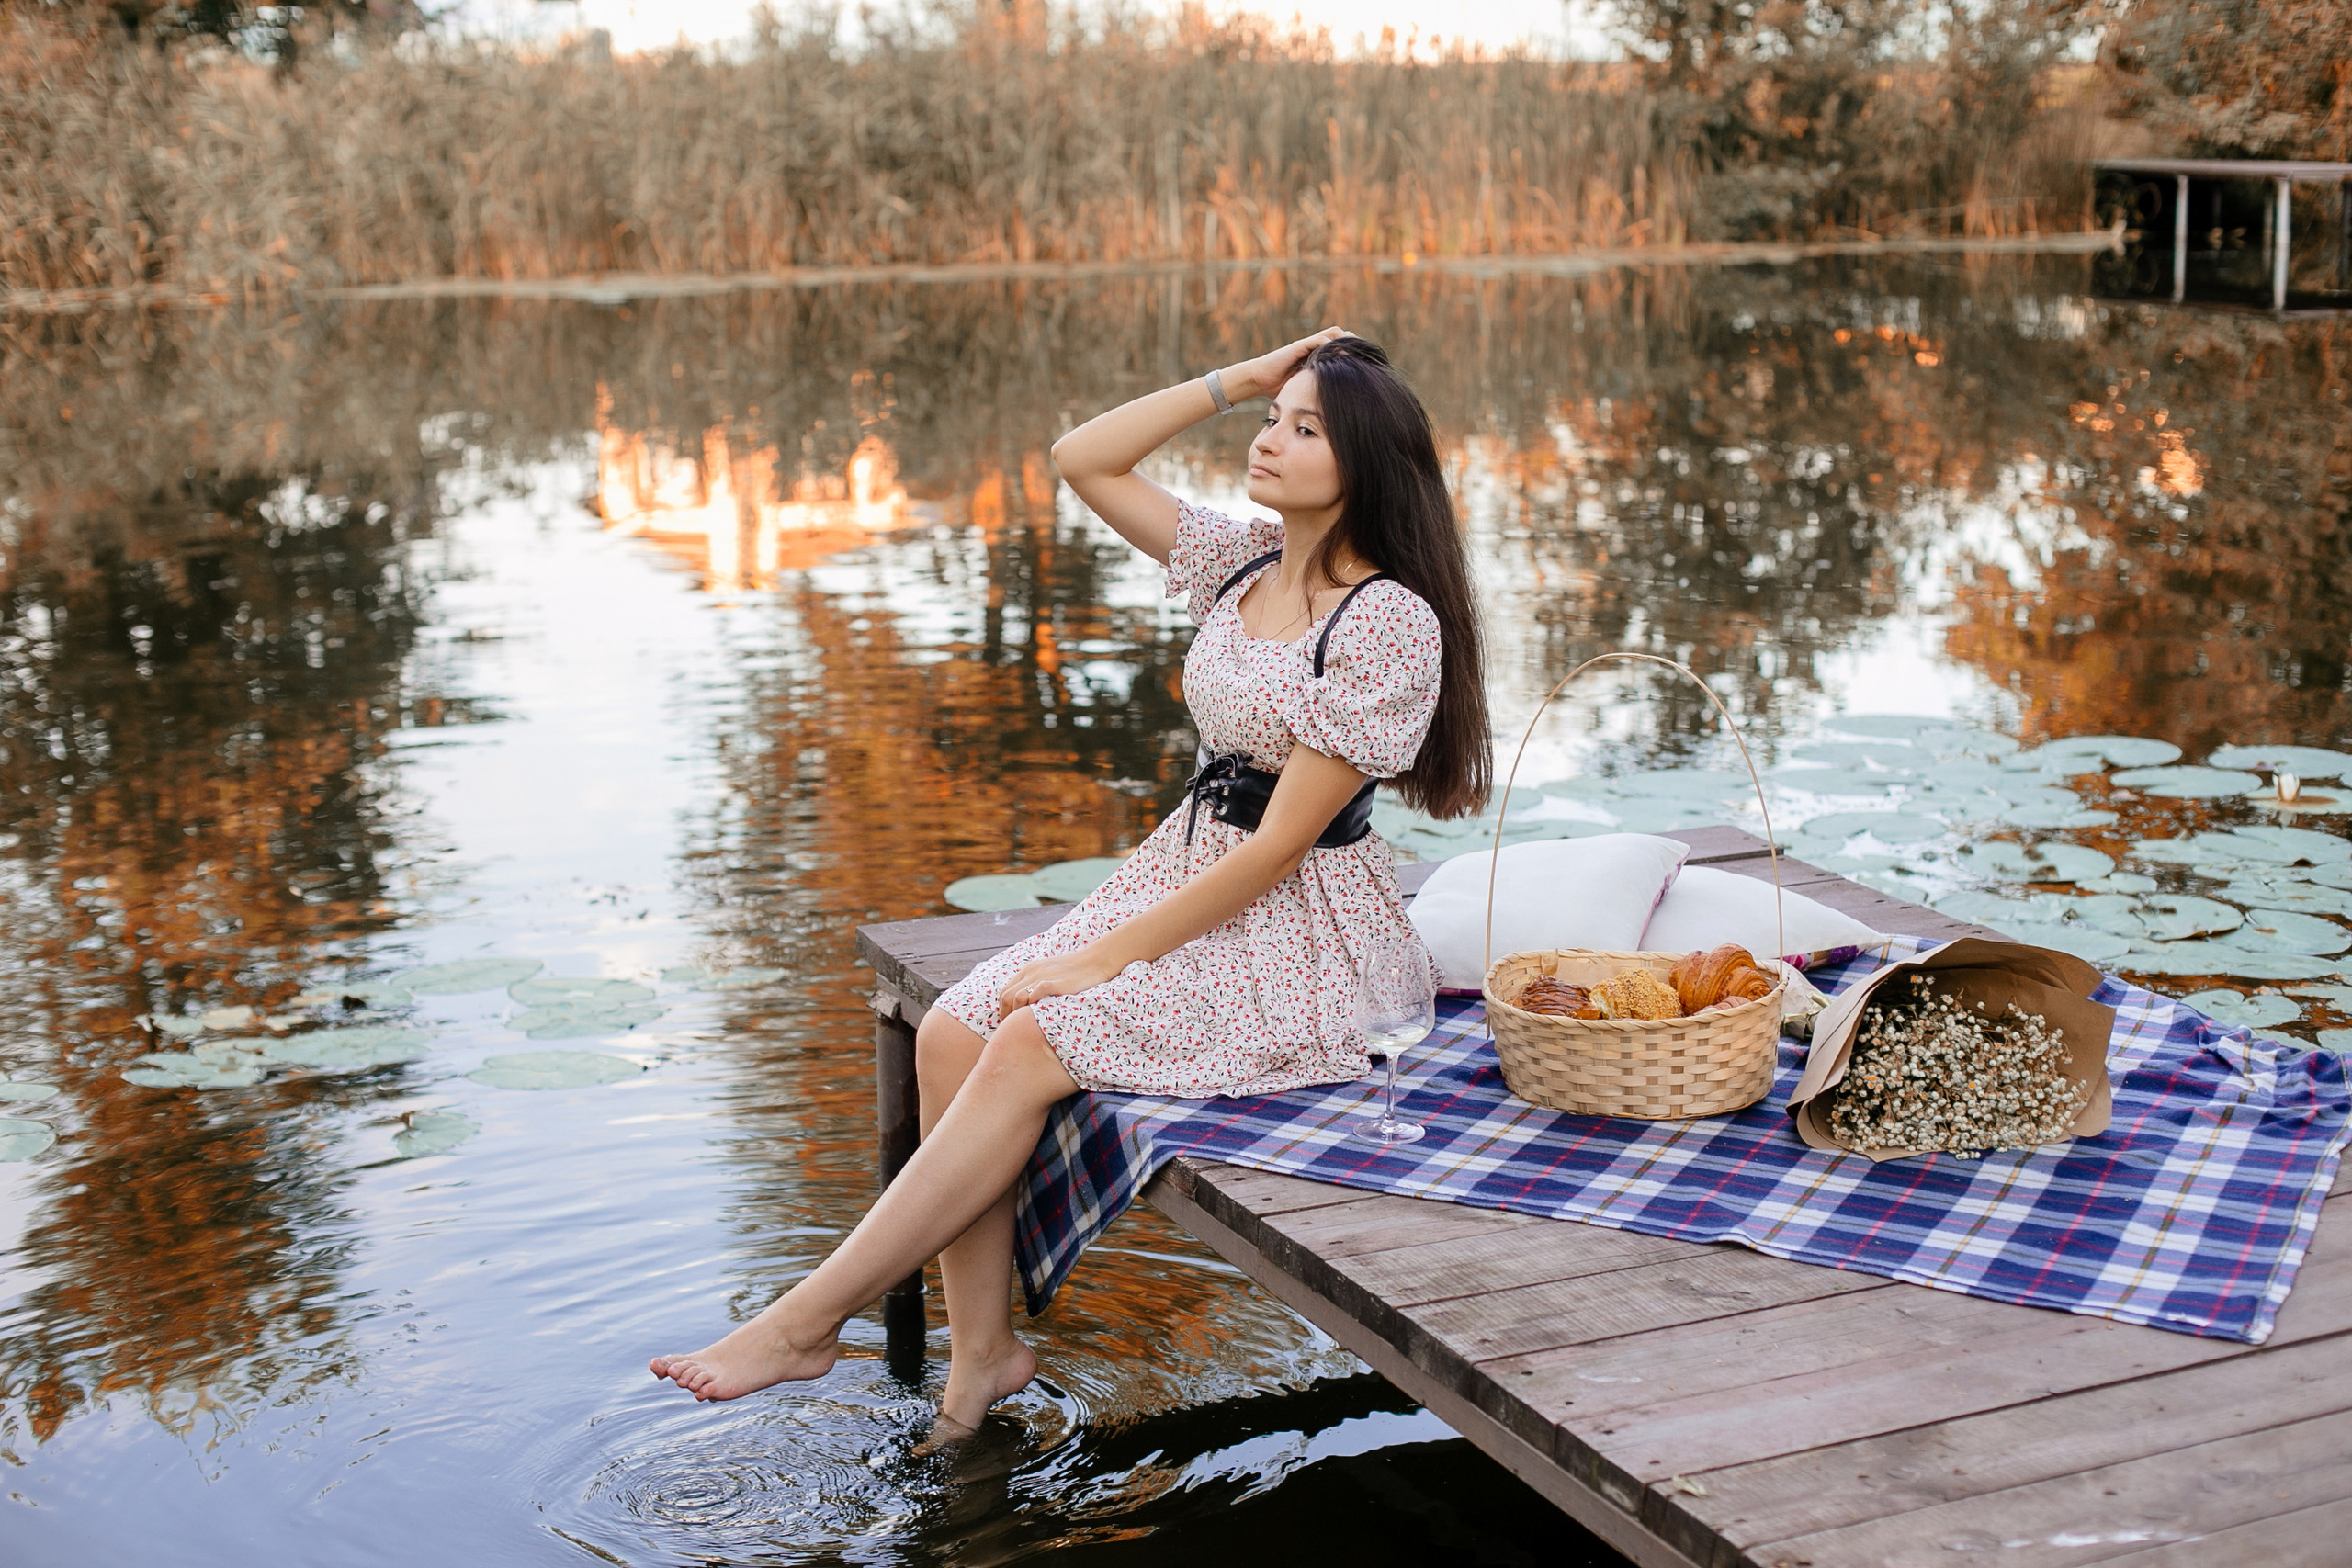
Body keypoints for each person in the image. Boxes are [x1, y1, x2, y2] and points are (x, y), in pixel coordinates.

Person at [650, 329, 1491, 1439]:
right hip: (1187, 871)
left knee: (1037, 1032)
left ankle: (805, 1323)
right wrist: (1241, 375)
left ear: (1368, 466)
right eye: (1269, 419)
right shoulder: (1240, 561)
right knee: (956, 1030)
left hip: (1306, 932)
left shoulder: (1383, 616)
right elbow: (1080, 458)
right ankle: (983, 1356)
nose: (1269, 441)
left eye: (1305, 429)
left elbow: (1282, 846)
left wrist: (1103, 957)